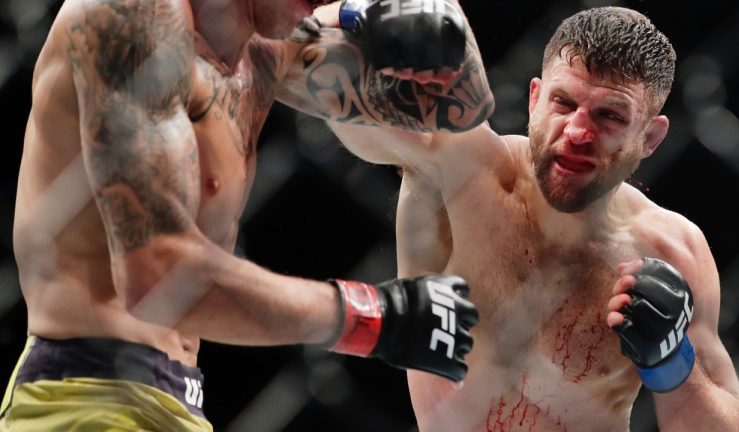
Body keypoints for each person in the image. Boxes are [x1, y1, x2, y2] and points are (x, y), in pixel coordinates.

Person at [1, 0, 494, 430]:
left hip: (180, 403)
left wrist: (437, 16)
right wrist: (380, 317)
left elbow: (460, 106)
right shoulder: (130, 16)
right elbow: (156, 276)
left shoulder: (265, 50)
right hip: (84, 397)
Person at [319, 6, 739, 431]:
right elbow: (354, 115)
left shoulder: (673, 250)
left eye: (610, 116)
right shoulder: (461, 172)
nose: (579, 133)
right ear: (534, 99)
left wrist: (674, 364)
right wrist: (342, 19)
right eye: (564, 103)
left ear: (651, 137)